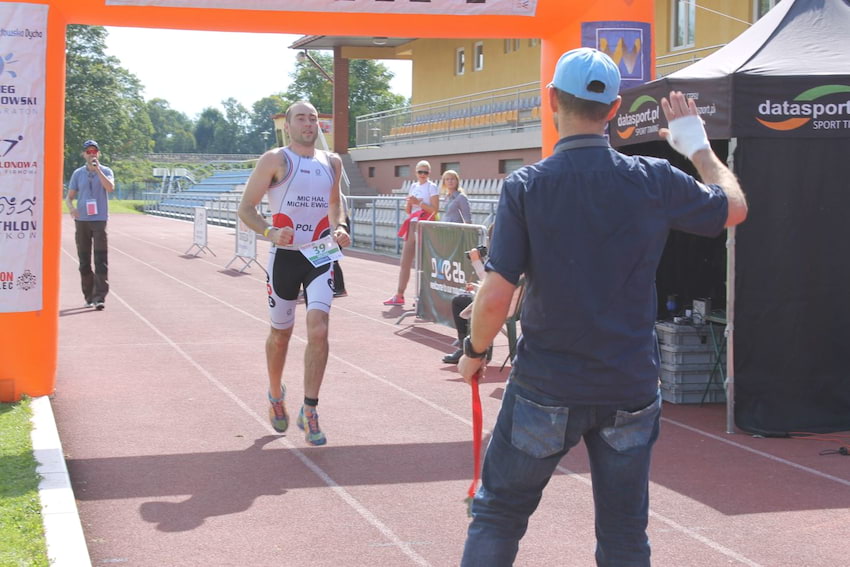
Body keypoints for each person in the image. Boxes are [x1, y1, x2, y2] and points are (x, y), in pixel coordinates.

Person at [457, 47, 747, 566]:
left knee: (499, 513)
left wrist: (474, 351)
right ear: (613, 109)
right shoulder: (653, 176)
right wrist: (699, 147)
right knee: (624, 534)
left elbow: (497, 292)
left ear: (551, 100)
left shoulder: (526, 185)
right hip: (628, 386)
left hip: (547, 384)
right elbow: (735, 208)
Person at [237, 100, 351, 446]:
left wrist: (341, 225)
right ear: (288, 125)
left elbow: (335, 203)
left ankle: (310, 408)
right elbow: (247, 208)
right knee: (280, 335)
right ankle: (275, 393)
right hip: (284, 257)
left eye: (313, 118)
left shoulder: (331, 162)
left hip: (320, 254)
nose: (308, 123)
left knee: (319, 329)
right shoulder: (275, 160)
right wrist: (270, 233)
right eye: (301, 117)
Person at [65, 140, 115, 310]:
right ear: (83, 154)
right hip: (82, 222)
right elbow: (69, 197)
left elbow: (110, 188)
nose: (91, 153)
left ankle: (100, 297)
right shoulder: (78, 174)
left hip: (99, 220)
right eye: (88, 151)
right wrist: (71, 208)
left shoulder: (106, 171)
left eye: (94, 151)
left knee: (101, 259)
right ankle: (89, 296)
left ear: (98, 153)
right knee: (84, 261)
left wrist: (98, 170)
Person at [382, 160, 439, 306]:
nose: (423, 175)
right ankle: (399, 294)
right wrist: (409, 203)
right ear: (416, 172)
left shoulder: (432, 187)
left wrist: (419, 203)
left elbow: (434, 209)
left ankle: (424, 296)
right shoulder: (413, 186)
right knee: (405, 261)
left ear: (429, 173)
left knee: (423, 263)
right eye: (420, 172)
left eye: (425, 172)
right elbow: (408, 210)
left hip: (424, 225)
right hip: (412, 224)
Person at [442, 244, 487, 364]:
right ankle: (467, 344)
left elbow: (490, 281)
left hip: (498, 304)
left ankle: (464, 347)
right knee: (466, 297)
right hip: (517, 306)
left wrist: (476, 260)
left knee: (459, 301)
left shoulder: (508, 256)